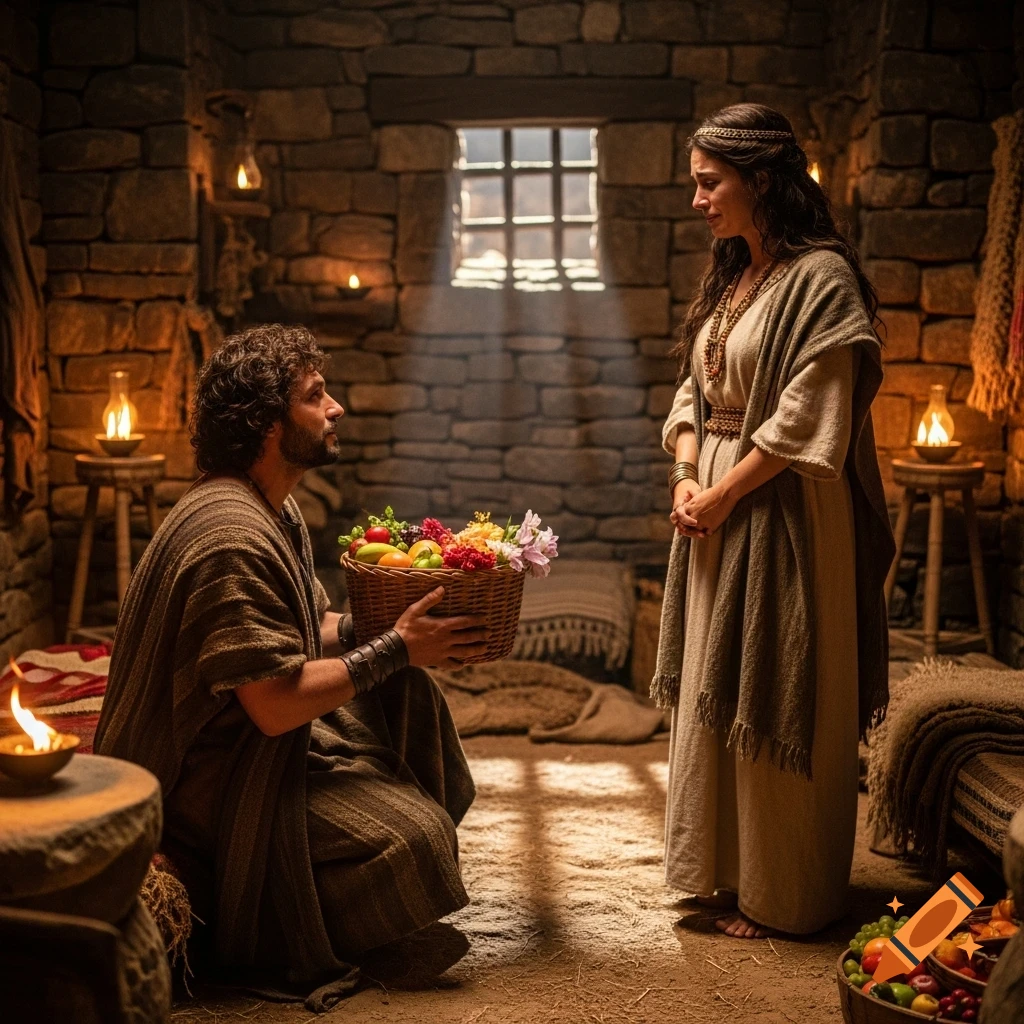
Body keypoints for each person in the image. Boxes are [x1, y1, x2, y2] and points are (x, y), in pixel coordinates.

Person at [94, 324, 488, 1007]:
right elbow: (275, 705)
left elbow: (312, 629)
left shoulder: (273, 508)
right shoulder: (230, 538)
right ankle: (277, 927)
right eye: (315, 396)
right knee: (416, 841)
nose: (336, 408)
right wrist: (395, 647)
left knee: (409, 696)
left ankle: (363, 876)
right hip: (202, 783)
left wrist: (388, 629)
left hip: (249, 735)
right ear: (267, 424)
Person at [654, 104, 895, 939]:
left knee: (776, 672)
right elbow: (693, 389)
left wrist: (726, 492)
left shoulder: (821, 279)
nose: (697, 200)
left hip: (783, 502)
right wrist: (688, 474)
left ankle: (783, 890)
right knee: (713, 678)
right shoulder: (732, 276)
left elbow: (807, 412)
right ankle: (721, 872)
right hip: (713, 504)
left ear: (760, 180)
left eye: (708, 182)